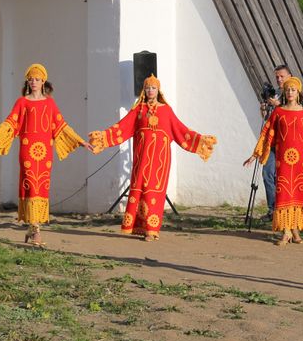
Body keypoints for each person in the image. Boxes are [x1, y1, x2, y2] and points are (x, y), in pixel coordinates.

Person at [89, 75, 217, 241]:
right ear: (144, 90)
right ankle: (137, 227)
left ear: (158, 90)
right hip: (141, 158)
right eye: (148, 88)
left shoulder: (166, 110)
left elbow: (181, 131)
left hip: (160, 160)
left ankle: (152, 230)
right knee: (140, 188)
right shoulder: (138, 109)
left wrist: (201, 142)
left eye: (153, 88)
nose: (150, 91)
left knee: (153, 190)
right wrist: (102, 138)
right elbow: (122, 127)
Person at [0, 64, 91, 247]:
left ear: (43, 81)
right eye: (31, 79)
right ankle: (36, 229)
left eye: (37, 79)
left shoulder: (50, 103)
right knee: (31, 185)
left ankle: (32, 228)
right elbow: (10, 123)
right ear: (27, 81)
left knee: (41, 187)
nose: (34, 82)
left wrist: (80, 141)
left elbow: (62, 126)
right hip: (27, 150)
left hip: (45, 152)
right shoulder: (21, 102)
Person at [244, 76, 303, 246]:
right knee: (283, 193)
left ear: (298, 92)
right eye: (287, 89)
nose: (289, 92)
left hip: (300, 162)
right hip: (283, 161)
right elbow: (267, 134)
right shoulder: (278, 113)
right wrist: (255, 154)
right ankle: (286, 231)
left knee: (298, 193)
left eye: (293, 90)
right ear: (284, 92)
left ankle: (295, 229)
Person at [259, 65, 292, 221]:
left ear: (289, 76)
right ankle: (273, 210)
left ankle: (286, 210)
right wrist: (265, 110)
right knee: (267, 174)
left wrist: (278, 106)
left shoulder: (293, 93)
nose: (279, 79)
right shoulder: (275, 94)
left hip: (287, 143)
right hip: (272, 141)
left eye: (282, 76)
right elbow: (268, 120)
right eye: (277, 77)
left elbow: (296, 112)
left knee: (285, 177)